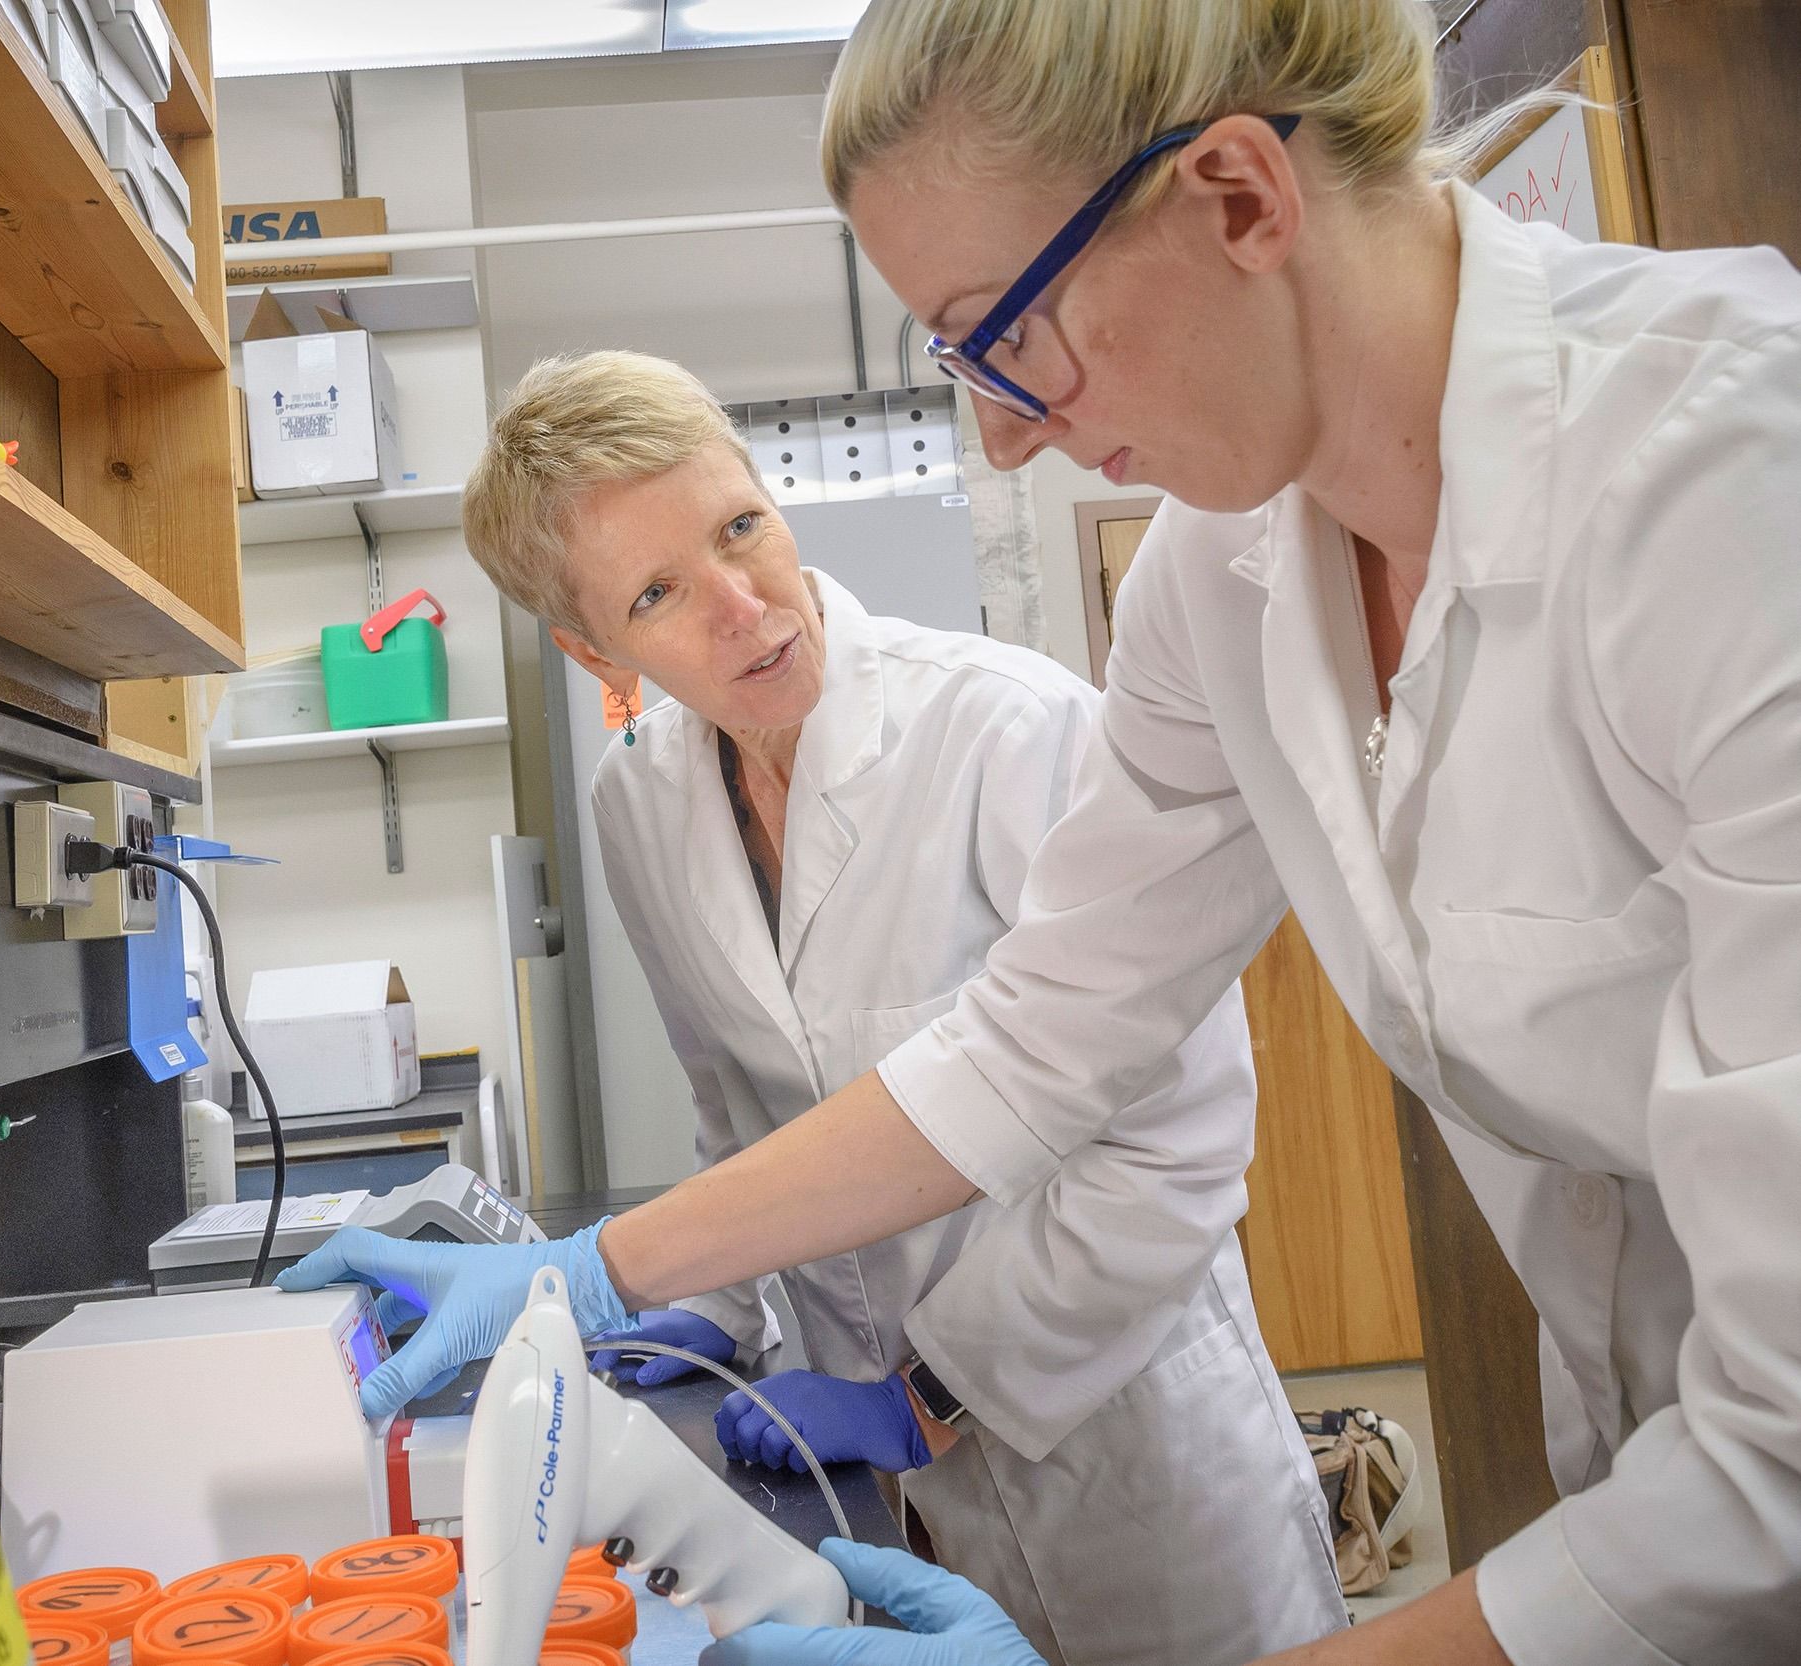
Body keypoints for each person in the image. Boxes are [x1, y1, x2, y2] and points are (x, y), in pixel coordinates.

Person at [281, 0, 1801, 1660]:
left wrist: (917, 1386)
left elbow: (1781, 1457)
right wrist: (599, 1270)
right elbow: (1034, 1043)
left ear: (1237, 196)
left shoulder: (1730, 486)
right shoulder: (1224, 577)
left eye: (1006, 330)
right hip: (1640, 1500)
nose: (1001, 430)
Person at [454, 349, 1345, 1665]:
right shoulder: (639, 807)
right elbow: (733, 1104)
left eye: (740, 527)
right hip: (877, 1485)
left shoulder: (1007, 730)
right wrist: (720, 1304)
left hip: (1127, 1440)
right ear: (596, 648)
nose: (743, 604)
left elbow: (1180, 1135)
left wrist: (932, 1392)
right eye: (657, 592)